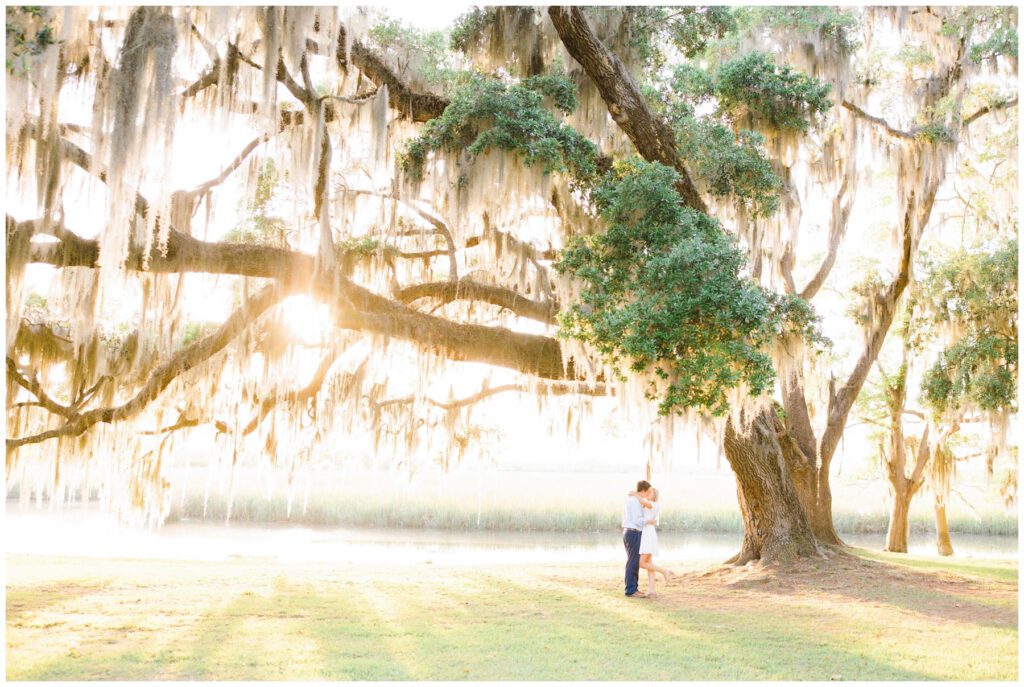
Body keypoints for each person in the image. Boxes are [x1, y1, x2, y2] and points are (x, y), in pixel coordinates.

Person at [635, 487, 674, 597]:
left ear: (654, 495)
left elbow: (642, 501)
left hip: (648, 534)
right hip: (647, 533)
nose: (648, 493)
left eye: (650, 492)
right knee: (649, 564)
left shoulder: (654, 504)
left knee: (642, 563)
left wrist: (635, 494)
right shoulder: (649, 504)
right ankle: (652, 589)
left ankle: (664, 571)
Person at [621, 480, 651, 597]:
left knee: (634, 561)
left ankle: (634, 588)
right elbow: (637, 520)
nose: (647, 495)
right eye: (647, 492)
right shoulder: (634, 502)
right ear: (642, 491)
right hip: (633, 532)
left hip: (632, 532)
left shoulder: (634, 500)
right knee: (632, 562)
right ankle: (631, 590)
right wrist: (648, 521)